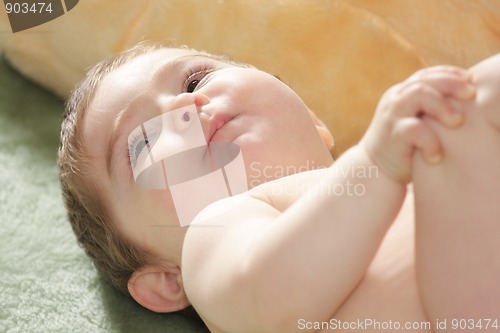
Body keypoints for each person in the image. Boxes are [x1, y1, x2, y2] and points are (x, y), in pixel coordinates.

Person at [58, 42, 500, 333]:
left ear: (314, 121)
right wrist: (376, 165)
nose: (184, 105)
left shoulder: (405, 157)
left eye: (195, 81)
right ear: (168, 283)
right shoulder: (215, 235)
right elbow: (268, 297)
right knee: (474, 101)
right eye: (144, 143)